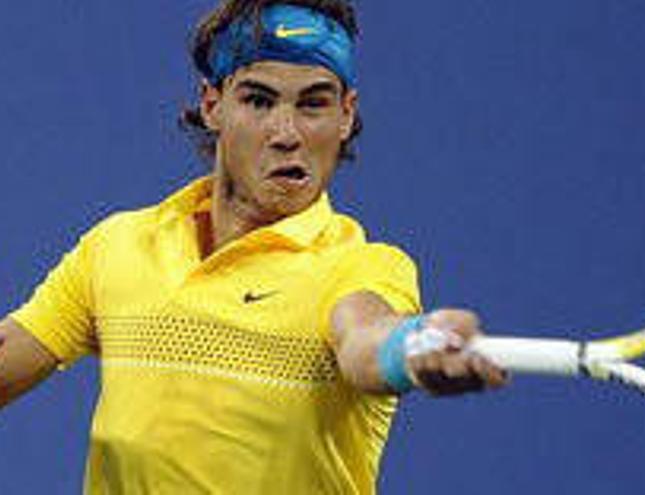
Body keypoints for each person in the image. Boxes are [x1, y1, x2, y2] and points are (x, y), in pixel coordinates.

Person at [0, 0, 507, 493]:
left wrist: (413, 347)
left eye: (313, 104)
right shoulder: (117, 246)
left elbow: (366, 341)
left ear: (347, 115)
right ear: (212, 104)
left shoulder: (362, 267)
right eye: (259, 100)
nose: (286, 134)